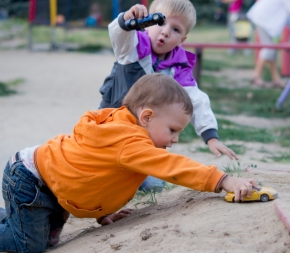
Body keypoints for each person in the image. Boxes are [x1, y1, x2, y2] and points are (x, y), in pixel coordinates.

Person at [0, 73, 258, 252]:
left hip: (51, 186)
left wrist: (102, 212)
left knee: (50, 239)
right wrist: (223, 180)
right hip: (31, 180)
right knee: (28, 246)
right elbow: (175, 168)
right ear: (146, 117)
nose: (174, 139)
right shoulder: (131, 142)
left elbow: (95, 171)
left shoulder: (124, 126)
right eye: (173, 130)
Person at [99, 0, 238, 192]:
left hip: (144, 131)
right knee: (101, 159)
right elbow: (118, 33)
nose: (165, 31)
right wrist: (127, 19)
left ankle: (137, 175)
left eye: (176, 29)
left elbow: (195, 99)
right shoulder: (132, 47)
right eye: (160, 22)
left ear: (183, 39)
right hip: (113, 120)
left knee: (153, 182)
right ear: (148, 22)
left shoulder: (178, 68)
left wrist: (210, 136)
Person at [246, 0, 290, 88]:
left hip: (262, 18)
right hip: (263, 20)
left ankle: (276, 79)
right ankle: (255, 76)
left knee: (272, 51)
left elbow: (287, 15)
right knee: (269, 49)